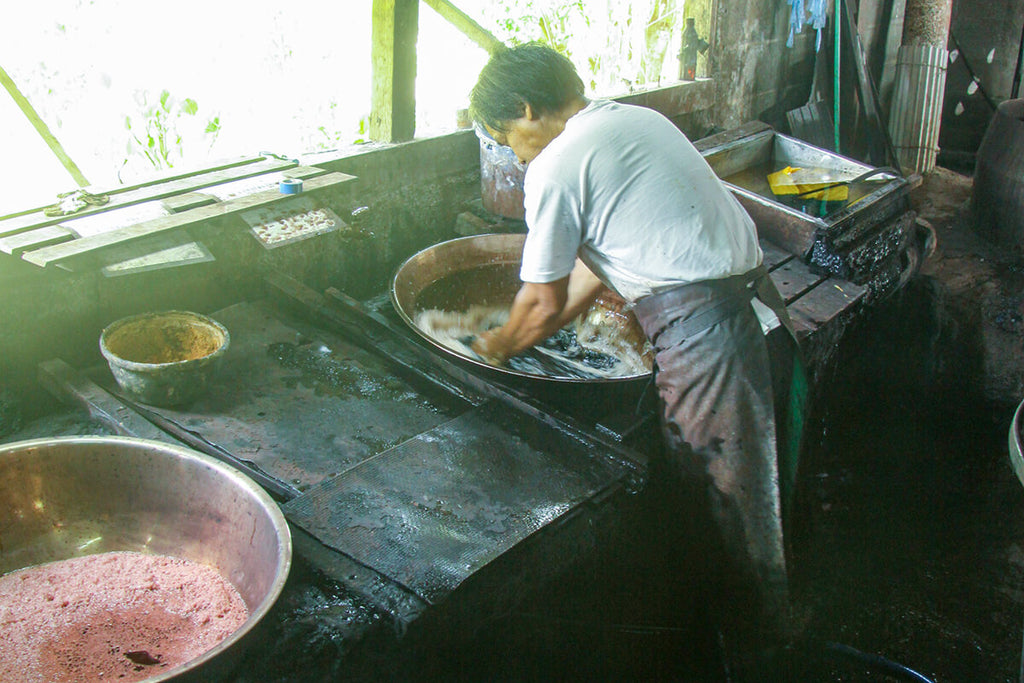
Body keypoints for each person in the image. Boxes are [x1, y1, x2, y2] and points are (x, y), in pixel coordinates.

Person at [468, 42, 805, 677]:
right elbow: (595, 277)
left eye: (505, 134)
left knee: (724, 514)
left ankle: (748, 659)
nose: (512, 153)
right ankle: (761, 630)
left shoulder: (556, 165)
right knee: (769, 486)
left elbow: (538, 302)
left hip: (711, 345)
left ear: (527, 108)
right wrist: (524, 332)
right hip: (764, 316)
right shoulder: (635, 121)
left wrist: (492, 349)